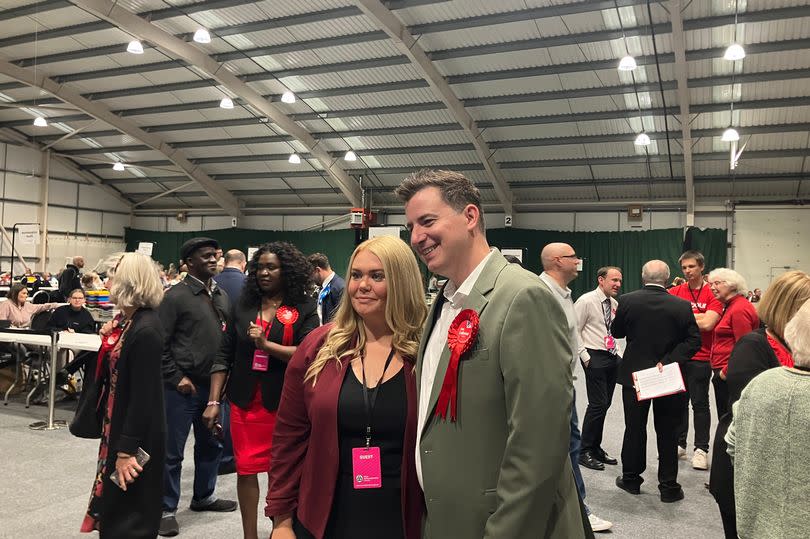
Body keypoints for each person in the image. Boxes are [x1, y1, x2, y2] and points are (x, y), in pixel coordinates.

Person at [395, 169, 589, 538]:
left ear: (470, 217)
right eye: (411, 227)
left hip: (499, 524)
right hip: (446, 518)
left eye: (427, 221)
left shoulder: (522, 296)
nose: (417, 237)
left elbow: (539, 445)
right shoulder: (444, 301)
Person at [265, 236, 426, 539]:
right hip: (326, 514)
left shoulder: (426, 350)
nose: (362, 285)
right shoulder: (320, 346)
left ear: (402, 282)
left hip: (403, 516)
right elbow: (288, 437)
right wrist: (281, 521)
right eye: (356, 274)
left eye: (377, 276)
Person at [205, 242, 318, 539]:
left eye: (272, 267)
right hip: (244, 403)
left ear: (288, 271)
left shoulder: (305, 307)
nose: (264, 273)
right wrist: (214, 399)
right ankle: (249, 535)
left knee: (282, 472)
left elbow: (308, 353)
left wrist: (267, 346)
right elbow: (223, 354)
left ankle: (280, 531)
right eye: (260, 267)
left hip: (285, 403)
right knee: (246, 469)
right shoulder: (242, 305)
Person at [708, 270, 810, 538]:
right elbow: (749, 410)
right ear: (790, 307)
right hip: (743, 461)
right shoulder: (753, 345)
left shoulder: (796, 345)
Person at [80, 252, 166, 538]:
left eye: (112, 274)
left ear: (129, 281)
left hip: (135, 436)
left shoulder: (146, 329)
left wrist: (126, 450)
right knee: (117, 505)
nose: (106, 280)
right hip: (119, 425)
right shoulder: (129, 322)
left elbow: (143, 397)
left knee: (130, 511)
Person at [158, 237, 236, 537]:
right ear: (189, 263)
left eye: (215, 255)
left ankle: (204, 496)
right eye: (206, 257)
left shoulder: (221, 295)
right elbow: (160, 343)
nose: (214, 260)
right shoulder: (175, 297)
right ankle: (166, 508)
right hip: (180, 389)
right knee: (172, 451)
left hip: (214, 388)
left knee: (212, 444)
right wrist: (176, 376)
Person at [611, 260, 701, 502]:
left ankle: (631, 479)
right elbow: (694, 342)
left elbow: (616, 332)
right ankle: (669, 486)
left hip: (635, 377)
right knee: (668, 431)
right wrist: (670, 360)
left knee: (634, 428)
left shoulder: (627, 301)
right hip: (667, 377)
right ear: (667, 277)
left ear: (643, 276)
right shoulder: (682, 305)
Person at [539, 245, 612, 533]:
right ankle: (580, 509)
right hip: (551, 388)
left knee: (570, 444)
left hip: (565, 384)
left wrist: (582, 357)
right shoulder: (541, 293)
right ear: (558, 261)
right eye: (573, 257)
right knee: (568, 446)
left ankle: (572, 508)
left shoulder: (564, 294)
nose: (578, 261)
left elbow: (570, 335)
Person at [668, 250, 723, 469]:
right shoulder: (676, 291)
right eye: (684, 268)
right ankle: (680, 444)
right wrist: (697, 317)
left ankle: (701, 449)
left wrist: (683, 317)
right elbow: (668, 320)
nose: (688, 271)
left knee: (699, 404)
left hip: (702, 357)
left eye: (692, 266)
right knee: (678, 403)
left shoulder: (712, 293)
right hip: (680, 356)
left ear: (701, 266)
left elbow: (709, 324)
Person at [575, 267, 623, 472]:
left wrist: (618, 353)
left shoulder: (614, 304)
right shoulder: (586, 301)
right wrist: (585, 357)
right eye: (614, 280)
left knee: (605, 404)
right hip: (593, 356)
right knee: (597, 404)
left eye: (620, 281)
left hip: (611, 356)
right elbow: (573, 330)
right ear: (601, 280)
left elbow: (610, 331)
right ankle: (583, 451)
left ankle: (595, 447)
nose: (618, 284)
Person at [707, 267, 759, 420]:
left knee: (728, 419)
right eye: (710, 284)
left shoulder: (738, 309)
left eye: (717, 283)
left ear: (732, 285)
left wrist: (725, 372)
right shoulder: (732, 306)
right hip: (727, 371)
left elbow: (745, 347)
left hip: (730, 374)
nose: (712, 288)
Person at [49, 288, 97, 388]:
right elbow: (49, 326)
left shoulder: (87, 315)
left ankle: (63, 376)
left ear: (84, 300)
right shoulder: (60, 311)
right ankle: (57, 380)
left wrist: (76, 333)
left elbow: (90, 333)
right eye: (74, 298)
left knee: (73, 353)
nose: (77, 300)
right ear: (69, 299)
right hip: (59, 341)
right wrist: (62, 331)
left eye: (80, 298)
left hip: (78, 344)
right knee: (59, 350)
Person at [308, 253, 345, 325]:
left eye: (311, 274)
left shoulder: (340, 288)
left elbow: (342, 321)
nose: (311, 278)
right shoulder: (323, 287)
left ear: (317, 270)